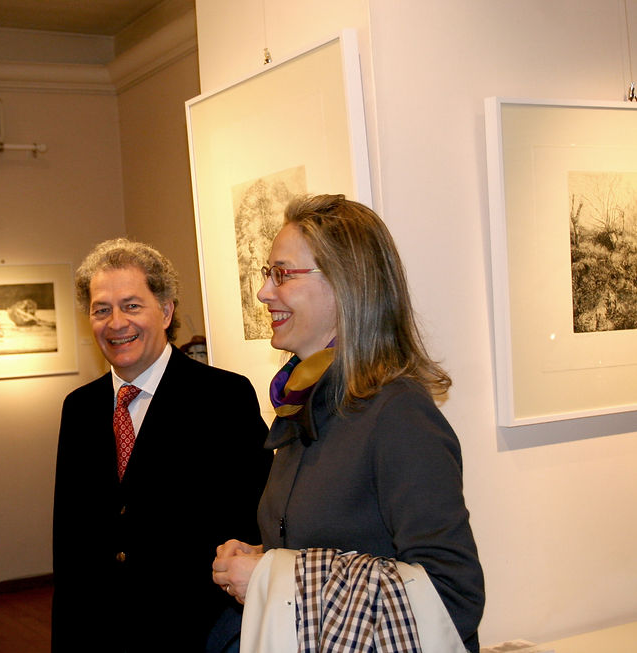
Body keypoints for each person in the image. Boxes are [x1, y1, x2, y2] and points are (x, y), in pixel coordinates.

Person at [212, 194, 484, 652]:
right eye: (267, 274)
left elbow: (451, 595)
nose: (263, 292)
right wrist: (262, 561)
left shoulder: (399, 415)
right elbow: (335, 546)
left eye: (283, 274)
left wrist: (272, 578)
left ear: (346, 284)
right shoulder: (305, 402)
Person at [52, 238, 272, 652]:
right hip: (102, 634)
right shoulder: (78, 409)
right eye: (102, 310)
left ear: (166, 311)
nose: (116, 322)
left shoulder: (223, 398)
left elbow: (250, 521)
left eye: (132, 305)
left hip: (194, 633)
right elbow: (69, 545)